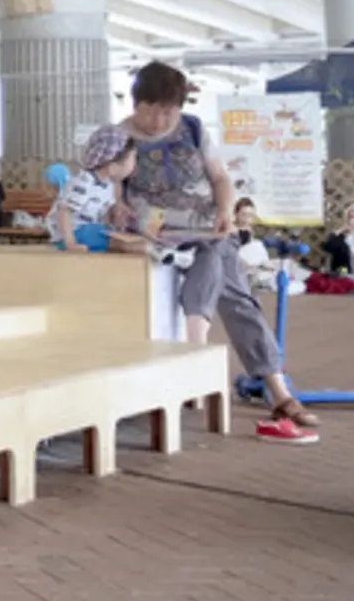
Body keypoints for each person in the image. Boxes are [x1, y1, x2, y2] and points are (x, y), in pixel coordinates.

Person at [116, 60, 318, 443]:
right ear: (135, 103)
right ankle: (278, 391)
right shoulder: (118, 137)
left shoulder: (192, 128)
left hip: (208, 228)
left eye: (168, 111)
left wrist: (225, 211)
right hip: (157, 236)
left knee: (215, 259)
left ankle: (200, 357)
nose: (160, 120)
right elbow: (111, 191)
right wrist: (120, 209)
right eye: (151, 110)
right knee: (236, 294)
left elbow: (221, 178)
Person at [50, 126, 146, 254]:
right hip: (74, 233)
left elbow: (102, 211)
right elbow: (64, 211)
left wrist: (117, 213)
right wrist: (70, 243)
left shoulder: (107, 184)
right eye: (133, 158)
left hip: (90, 231)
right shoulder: (84, 182)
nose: (135, 164)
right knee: (125, 245)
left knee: (120, 238)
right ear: (112, 166)